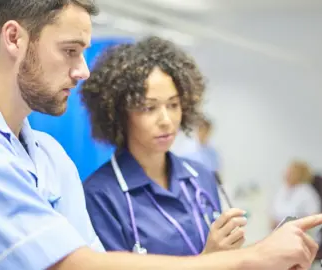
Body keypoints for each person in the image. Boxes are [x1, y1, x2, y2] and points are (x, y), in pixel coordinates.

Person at [0, 0, 322, 269]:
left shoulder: (48, 154)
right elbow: (74, 266)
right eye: (70, 50)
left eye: (174, 105)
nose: (83, 69)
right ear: (14, 37)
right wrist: (250, 258)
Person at [81, 38, 245, 255]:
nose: (166, 120)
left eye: (173, 105)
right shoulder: (101, 195)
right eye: (149, 108)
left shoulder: (201, 177)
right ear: (118, 114)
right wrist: (208, 260)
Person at [270, 161, 322, 242]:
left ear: (299, 174)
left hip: (301, 237)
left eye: (291, 172)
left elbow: (313, 219)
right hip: (281, 234)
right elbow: (273, 215)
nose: (286, 174)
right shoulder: (283, 190)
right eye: (287, 171)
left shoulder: (307, 192)